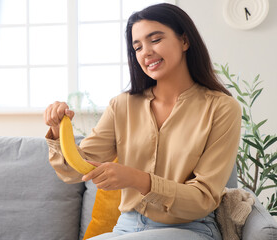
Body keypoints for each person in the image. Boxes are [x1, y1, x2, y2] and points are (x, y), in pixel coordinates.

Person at [44, 3, 241, 240]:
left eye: (155, 40)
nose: (145, 52)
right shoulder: (122, 105)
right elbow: (76, 170)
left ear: (185, 41)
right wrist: (58, 130)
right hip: (127, 226)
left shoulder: (221, 108)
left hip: (190, 228)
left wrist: (137, 179)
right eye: (137, 47)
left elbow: (204, 199)